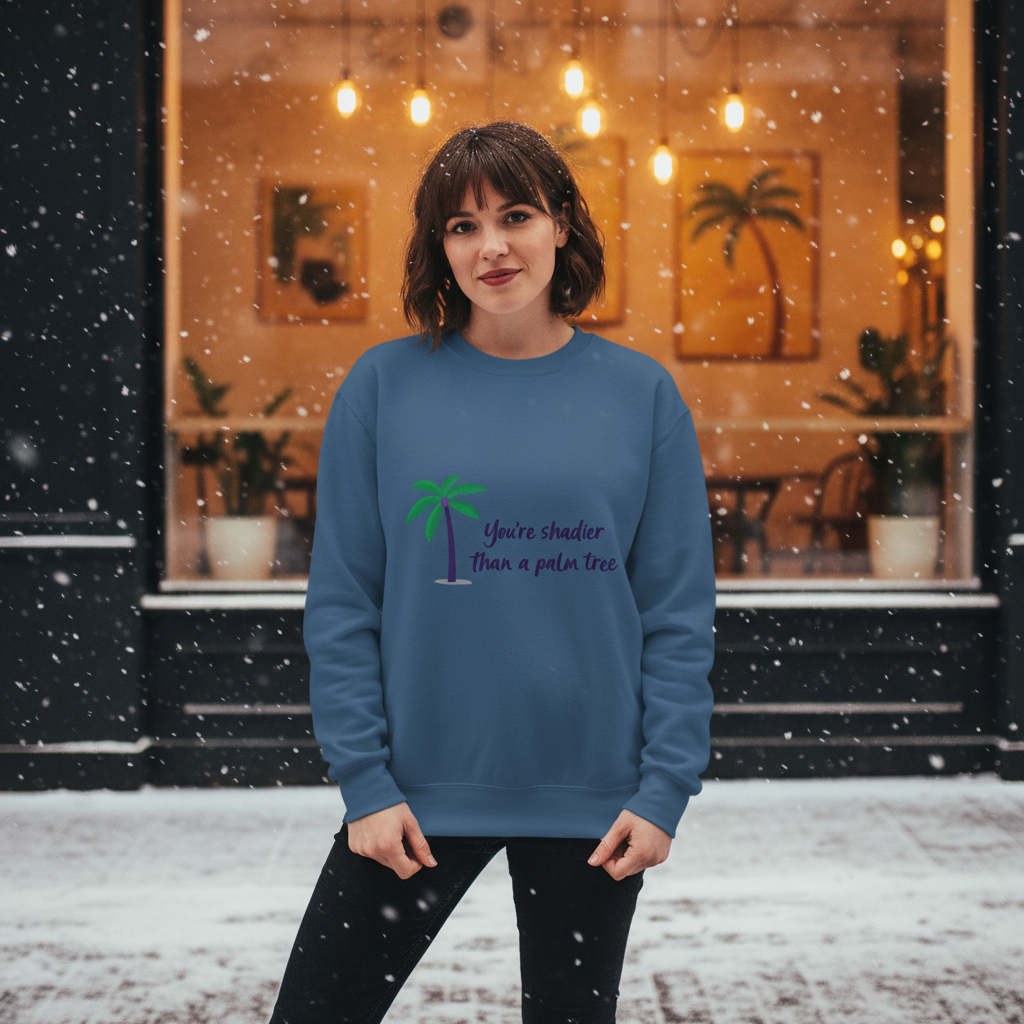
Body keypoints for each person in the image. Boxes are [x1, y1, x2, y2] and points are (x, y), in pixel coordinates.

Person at [268, 120, 716, 1024]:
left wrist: (665, 787)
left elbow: (675, 611)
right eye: (462, 226)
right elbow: (344, 601)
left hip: (595, 804)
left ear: (562, 227)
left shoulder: (641, 395)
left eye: (515, 215)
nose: (493, 246)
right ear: (440, 248)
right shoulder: (384, 387)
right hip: (415, 800)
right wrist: (365, 779)